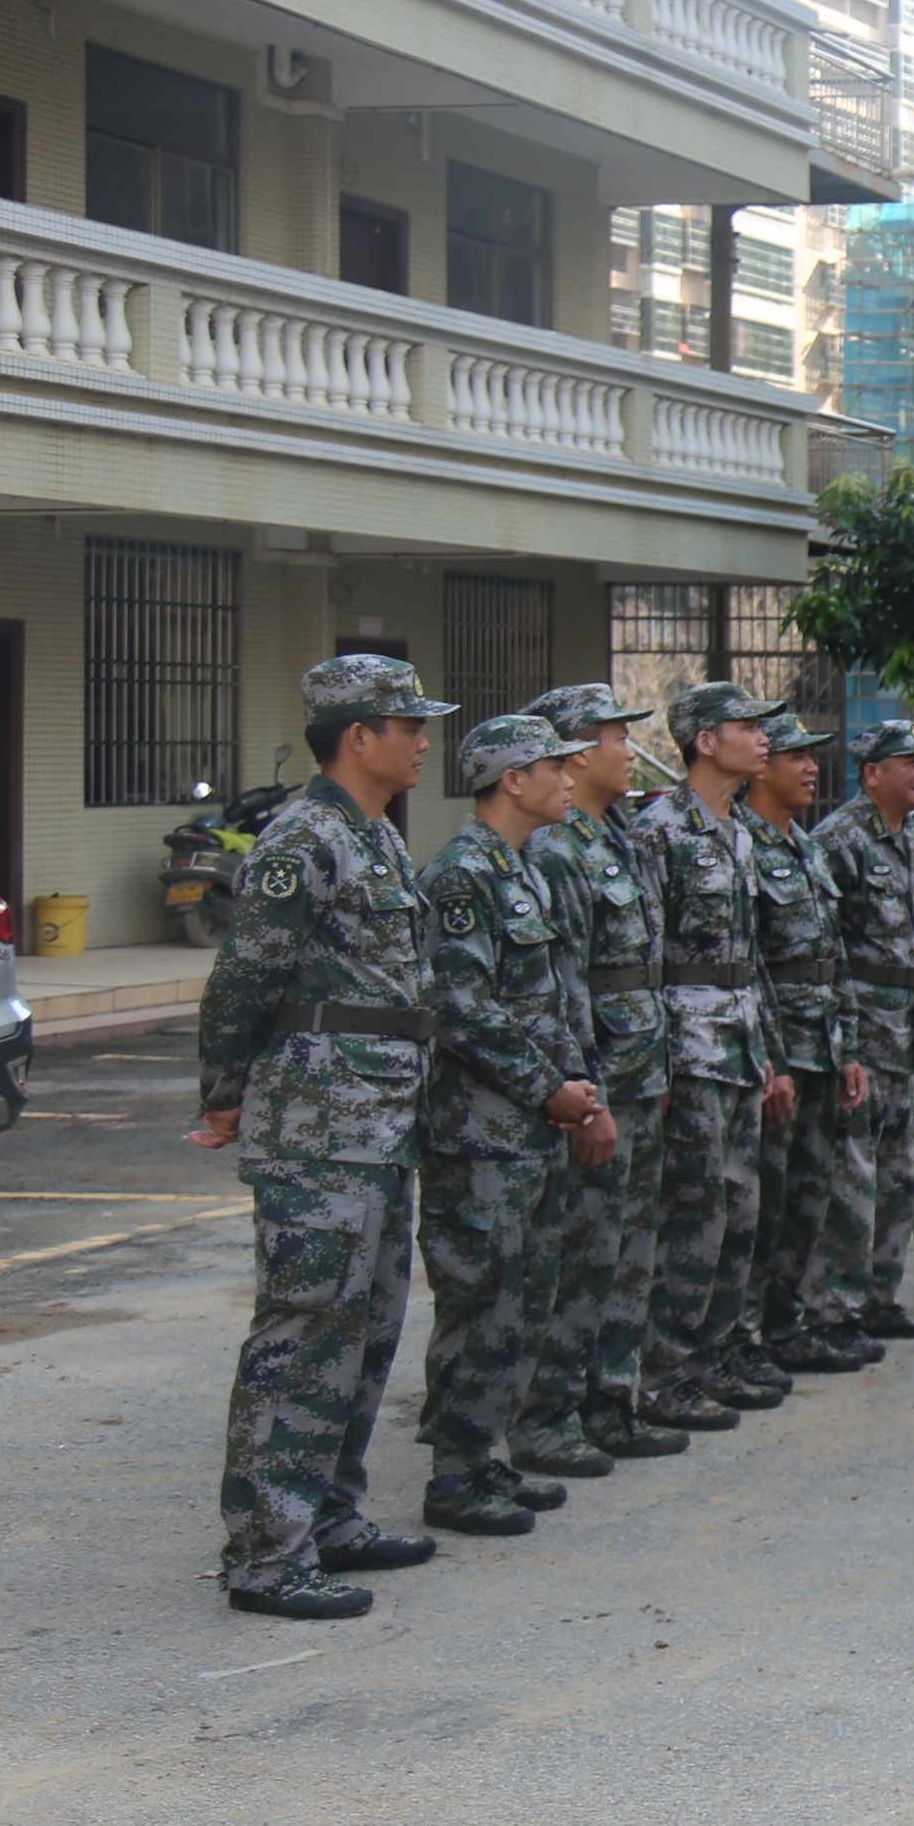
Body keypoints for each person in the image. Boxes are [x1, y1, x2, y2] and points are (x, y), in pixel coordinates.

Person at [193, 654, 457, 1621]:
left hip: (378, 1120)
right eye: (409, 726)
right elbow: (240, 984)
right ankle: (267, 1553)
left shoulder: (373, 836)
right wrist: (224, 1095)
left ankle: (331, 1516)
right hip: (320, 1124)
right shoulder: (304, 840)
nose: (424, 741)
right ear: (359, 736)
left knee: (367, 1326)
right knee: (304, 1332)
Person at [412, 714, 610, 1540]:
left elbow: (551, 1001)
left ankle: (484, 1455)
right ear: (510, 782)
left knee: (524, 1295)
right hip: (482, 1132)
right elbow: (461, 1007)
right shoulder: (464, 876)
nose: (569, 780)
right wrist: (548, 1090)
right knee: (482, 1296)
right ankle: (454, 1472)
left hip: (529, 1127)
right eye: (550, 768)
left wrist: (577, 1092)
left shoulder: (521, 871)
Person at [513, 681, 680, 1471]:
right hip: (601, 1080)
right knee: (580, 1253)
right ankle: (551, 1413)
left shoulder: (620, 835)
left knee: (629, 1247)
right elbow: (566, 982)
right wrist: (587, 1096)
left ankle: (613, 1398)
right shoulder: (557, 848)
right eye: (618, 737)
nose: (629, 751)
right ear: (578, 753)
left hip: (642, 1068)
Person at [629, 681, 792, 1431]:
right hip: (688, 1048)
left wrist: (772, 1054)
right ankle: (665, 1372)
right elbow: (643, 957)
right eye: (747, 726)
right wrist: (655, 1061)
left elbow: (751, 956)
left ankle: (717, 1353)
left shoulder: (738, 829)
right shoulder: (657, 831)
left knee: (737, 1213)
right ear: (705, 741)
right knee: (692, 1215)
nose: (763, 738)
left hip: (737, 1042)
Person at [746, 711, 871, 1375]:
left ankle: (785, 1322)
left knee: (809, 1195)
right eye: (794, 755)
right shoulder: (744, 844)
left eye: (812, 756)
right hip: (779, 1052)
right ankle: (746, 1332)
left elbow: (835, 956)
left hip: (820, 1045)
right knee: (764, 1199)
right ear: (760, 765)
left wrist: (848, 1044)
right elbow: (747, 963)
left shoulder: (807, 848)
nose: (809, 767)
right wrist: (765, 1055)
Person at [813, 719, 914, 1340]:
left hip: (907, 1032)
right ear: (872, 774)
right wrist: (844, 1043)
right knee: (853, 1177)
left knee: (900, 1172)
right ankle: (837, 1306)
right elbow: (828, 949)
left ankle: (881, 1297)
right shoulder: (840, 840)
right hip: (865, 1030)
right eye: (909, 761)